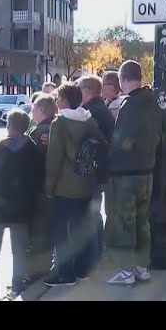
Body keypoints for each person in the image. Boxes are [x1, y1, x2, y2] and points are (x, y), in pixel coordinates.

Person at [0, 110, 43, 301]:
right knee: (19, 252)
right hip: (21, 210)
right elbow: (37, 181)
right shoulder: (33, 151)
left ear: (9, 125)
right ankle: (15, 289)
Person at [106, 60, 159, 285]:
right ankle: (141, 267)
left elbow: (123, 141)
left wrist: (110, 160)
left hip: (127, 173)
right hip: (147, 170)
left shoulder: (129, 104)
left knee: (126, 222)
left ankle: (127, 270)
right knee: (142, 221)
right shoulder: (152, 102)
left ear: (123, 79)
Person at [44, 83, 99, 287]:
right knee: (80, 230)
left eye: (58, 98)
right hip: (86, 183)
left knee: (61, 232)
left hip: (64, 187)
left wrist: (49, 188)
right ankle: (82, 269)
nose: (56, 102)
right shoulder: (88, 119)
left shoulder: (59, 123)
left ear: (64, 101)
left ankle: (65, 273)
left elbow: (54, 159)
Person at [77, 75, 114, 267]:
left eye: (80, 89)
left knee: (91, 214)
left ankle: (94, 256)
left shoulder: (91, 111)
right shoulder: (101, 108)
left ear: (88, 90)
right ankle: (98, 252)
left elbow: (91, 141)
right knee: (95, 213)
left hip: (95, 170)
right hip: (101, 169)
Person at [27, 93, 58, 281]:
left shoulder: (39, 132)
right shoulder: (56, 127)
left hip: (40, 188)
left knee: (39, 232)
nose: (32, 113)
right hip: (53, 187)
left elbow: (35, 162)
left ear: (40, 110)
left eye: (33, 109)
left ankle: (39, 270)